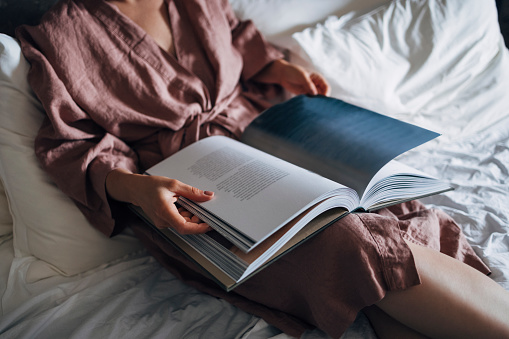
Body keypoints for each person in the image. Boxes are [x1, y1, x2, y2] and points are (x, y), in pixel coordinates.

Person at [16, 0, 509, 337]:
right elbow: (74, 144)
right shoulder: (59, 35)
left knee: (393, 206)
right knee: (348, 240)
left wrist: (278, 70)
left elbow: (239, 42)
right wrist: (139, 190)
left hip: (268, 134)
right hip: (189, 187)